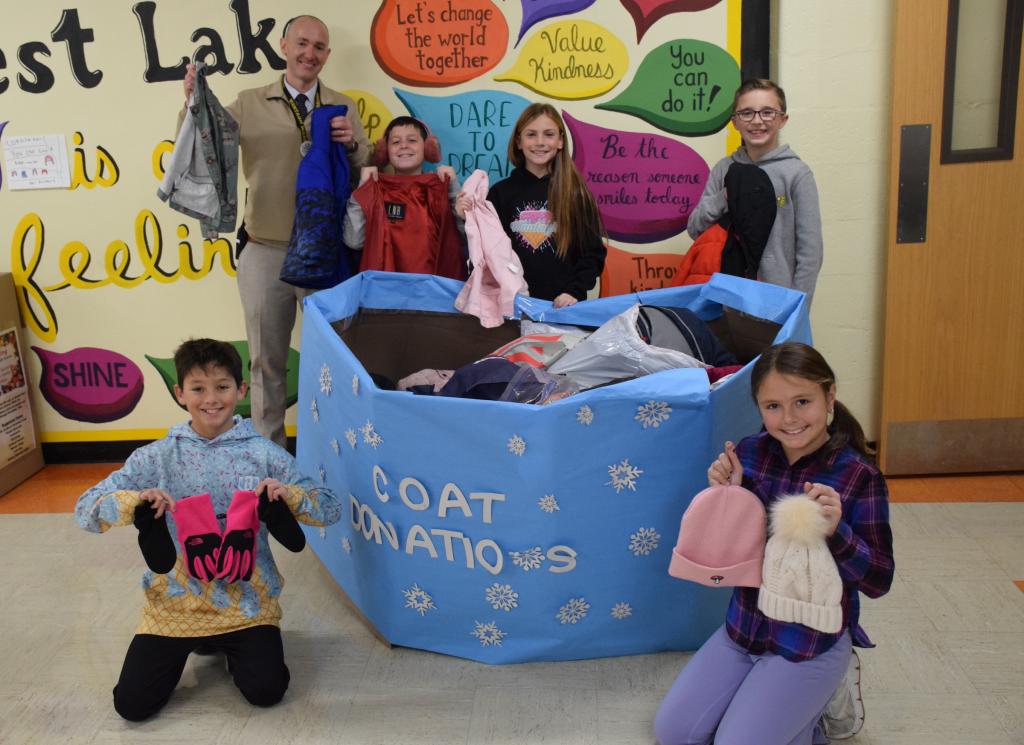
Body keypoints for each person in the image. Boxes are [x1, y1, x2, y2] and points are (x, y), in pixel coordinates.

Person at [74, 338, 341, 721]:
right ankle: (203, 644)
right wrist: (135, 503)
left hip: (246, 603)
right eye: (198, 388)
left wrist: (290, 496)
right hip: (176, 605)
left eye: (222, 386)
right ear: (179, 393)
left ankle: (235, 648)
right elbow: (86, 508)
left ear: (241, 390)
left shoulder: (263, 453)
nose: (210, 399)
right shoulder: (157, 456)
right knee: (131, 705)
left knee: (267, 691)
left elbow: (329, 507)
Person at [654, 342, 893, 745]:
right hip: (744, 629)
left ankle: (817, 704)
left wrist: (837, 532)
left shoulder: (858, 475)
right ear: (758, 407)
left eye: (803, 401)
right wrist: (727, 497)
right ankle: (784, 707)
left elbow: (879, 580)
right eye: (773, 406)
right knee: (674, 732)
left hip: (810, 643)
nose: (789, 419)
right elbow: (733, 547)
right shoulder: (750, 453)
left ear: (829, 395)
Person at [181, 14, 370, 447]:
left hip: (325, 252)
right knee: (266, 360)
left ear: (327, 55)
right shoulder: (248, 101)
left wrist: (353, 144)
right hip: (265, 250)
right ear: (283, 46)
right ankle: (270, 451)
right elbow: (202, 143)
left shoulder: (342, 105)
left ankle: (336, 446)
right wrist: (192, 103)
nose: (310, 54)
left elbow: (361, 173)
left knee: (338, 356)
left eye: (319, 47)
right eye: (302, 43)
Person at [457, 103, 605, 308]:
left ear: (561, 141)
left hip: (562, 306)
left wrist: (574, 291)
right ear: (519, 141)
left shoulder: (576, 194)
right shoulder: (500, 193)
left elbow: (592, 253)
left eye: (549, 134)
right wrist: (469, 219)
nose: (540, 142)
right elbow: (487, 251)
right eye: (531, 135)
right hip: (512, 305)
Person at [687, 79, 823, 303]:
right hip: (724, 296)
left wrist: (796, 311)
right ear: (735, 122)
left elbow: (811, 254)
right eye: (747, 113)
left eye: (768, 112)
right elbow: (695, 228)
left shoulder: (797, 174)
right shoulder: (724, 169)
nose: (757, 121)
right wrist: (726, 197)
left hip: (775, 300)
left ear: (782, 119)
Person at [344, 115, 465, 277]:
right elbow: (353, 241)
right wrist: (363, 188)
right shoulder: (375, 190)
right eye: (395, 142)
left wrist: (452, 190)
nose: (403, 146)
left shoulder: (440, 189)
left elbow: (465, 240)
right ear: (385, 151)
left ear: (428, 148)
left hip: (431, 296)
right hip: (383, 295)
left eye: (412, 140)